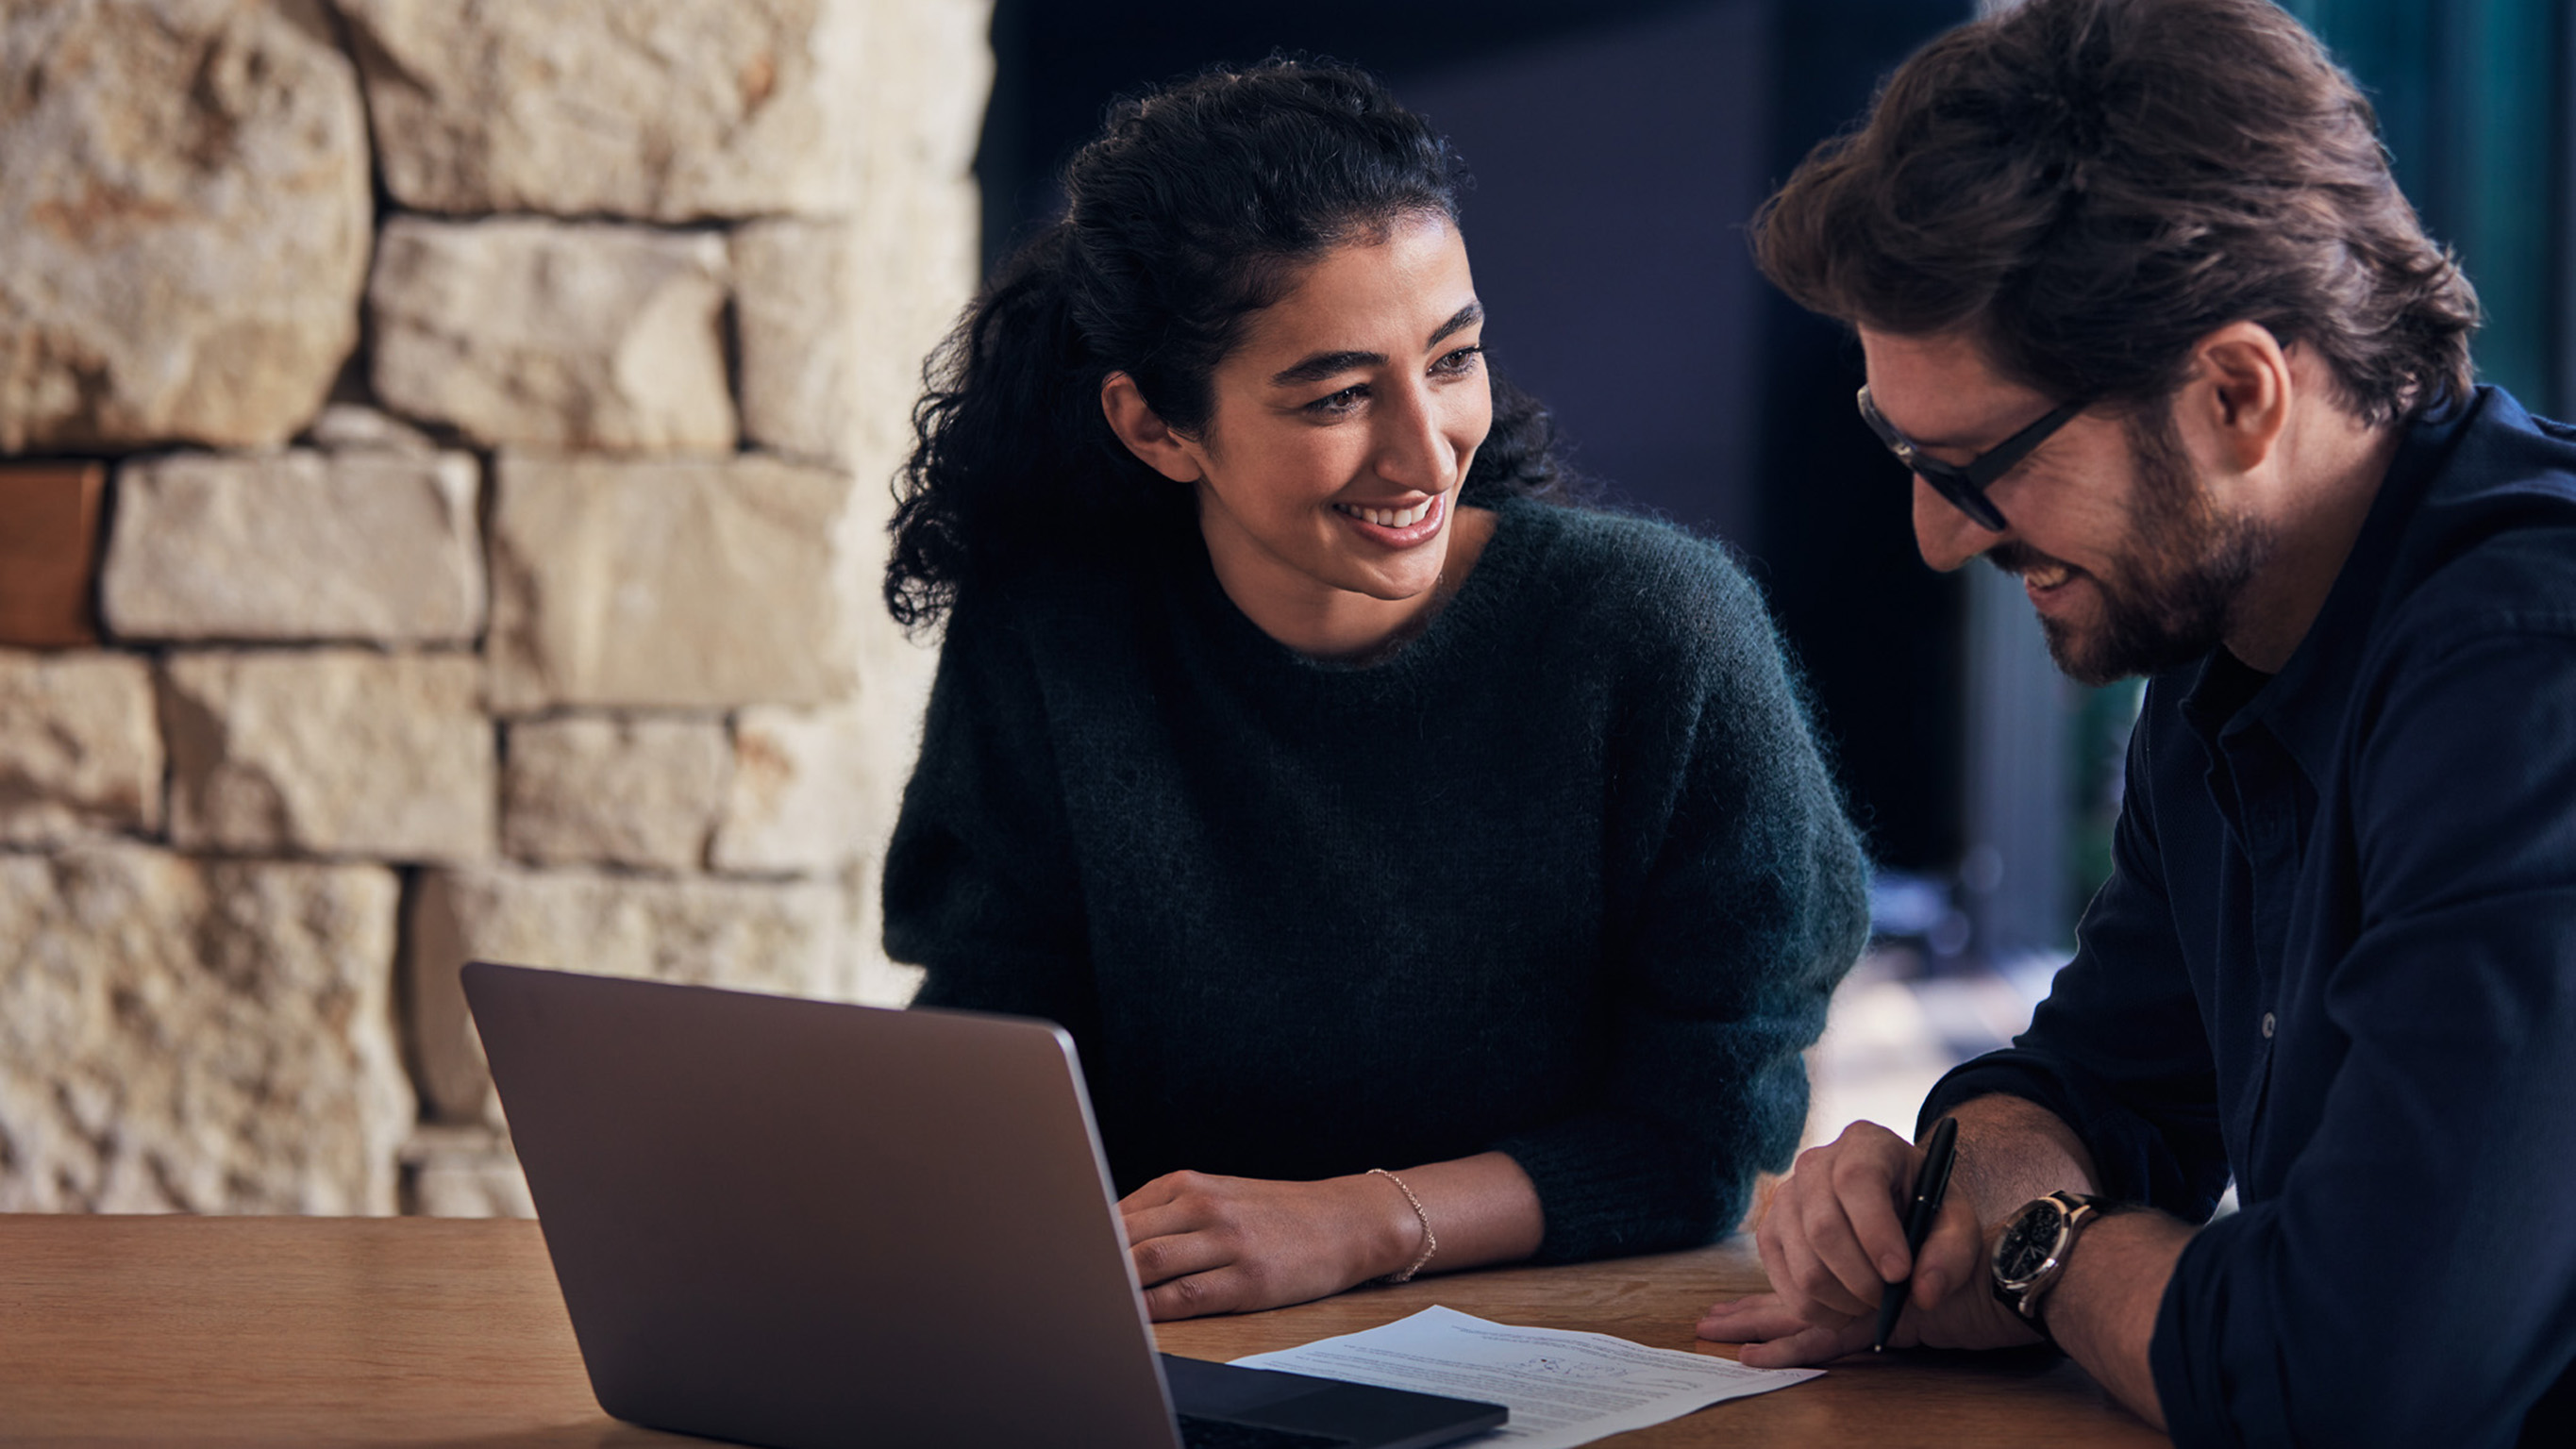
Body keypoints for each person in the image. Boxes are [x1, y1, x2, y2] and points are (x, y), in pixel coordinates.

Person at [1693, 0, 2576, 1443]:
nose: (1932, 537)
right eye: (1900, 453)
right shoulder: (2234, 646)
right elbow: (2082, 1089)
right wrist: (1953, 1193)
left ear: (2235, 392)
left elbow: (2342, 1386)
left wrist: (2035, 1242)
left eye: (1976, 464)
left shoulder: (2528, 674)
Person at [879, 59, 1869, 1323]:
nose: (1424, 448)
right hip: (1165, 1332)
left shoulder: (1658, 633)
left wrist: (1359, 1224)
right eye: (1339, 395)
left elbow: (1703, 1138)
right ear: (1154, 428)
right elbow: (994, 1060)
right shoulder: (1051, 637)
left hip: (1572, 1331)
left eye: (1452, 360)